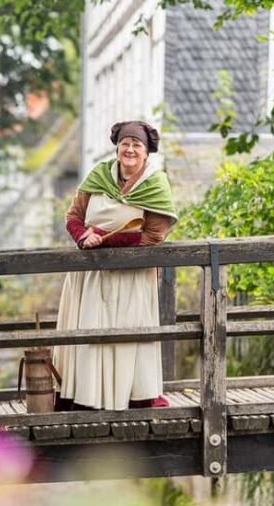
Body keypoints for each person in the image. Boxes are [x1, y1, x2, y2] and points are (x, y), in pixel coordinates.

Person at [54, 120, 177, 410]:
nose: (130, 149)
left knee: (126, 337)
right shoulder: (99, 175)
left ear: (147, 152)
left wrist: (105, 239)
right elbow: (73, 216)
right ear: (117, 147)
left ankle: (130, 398)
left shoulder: (155, 183)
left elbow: (153, 236)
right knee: (90, 336)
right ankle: (86, 398)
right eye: (125, 143)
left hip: (132, 277)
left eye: (137, 145)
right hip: (92, 277)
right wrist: (83, 236)